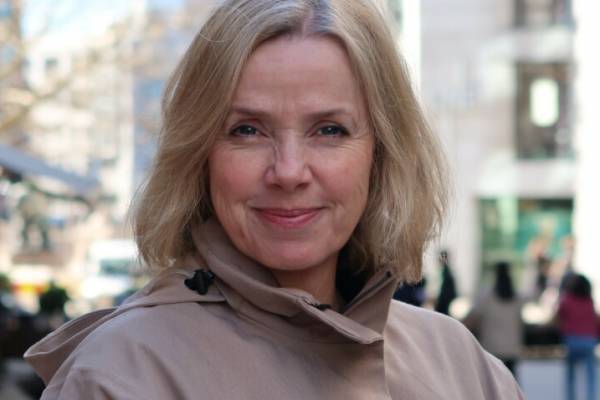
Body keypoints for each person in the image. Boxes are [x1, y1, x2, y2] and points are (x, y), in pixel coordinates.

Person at [24, 1, 523, 399]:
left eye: (329, 130)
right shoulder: (121, 374)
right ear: (199, 154)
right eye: (247, 130)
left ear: (382, 152)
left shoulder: (460, 364)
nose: (288, 171)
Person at [465, 261, 525, 378]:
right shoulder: (516, 296)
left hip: (491, 347)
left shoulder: (485, 295)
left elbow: (473, 317)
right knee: (510, 381)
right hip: (512, 348)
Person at [557, 273, 598, 400]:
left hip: (572, 339)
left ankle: (571, 397)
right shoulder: (589, 301)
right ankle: (591, 397)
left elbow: (558, 317)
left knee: (571, 373)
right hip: (589, 340)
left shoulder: (566, 300)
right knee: (591, 374)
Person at [434, 249, 458, 315]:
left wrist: (437, 306)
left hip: (445, 308)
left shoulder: (446, 274)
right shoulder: (445, 272)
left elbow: (445, 294)